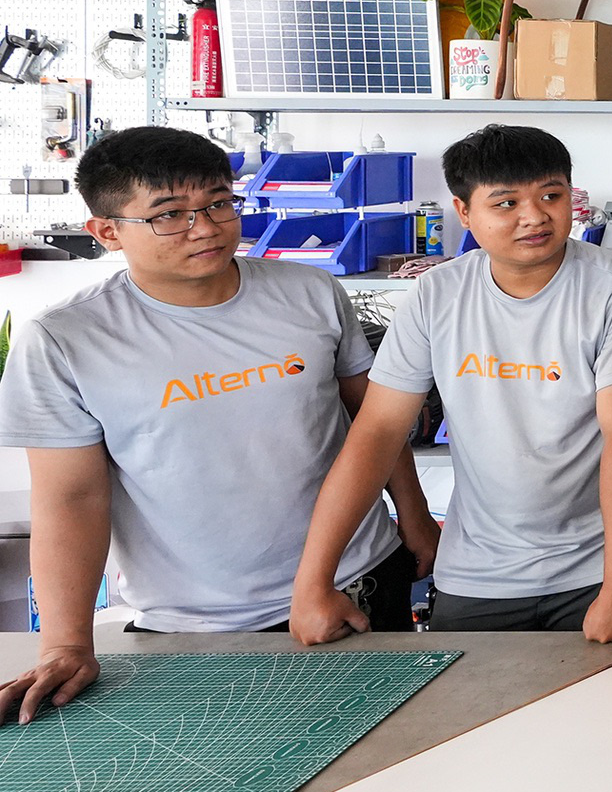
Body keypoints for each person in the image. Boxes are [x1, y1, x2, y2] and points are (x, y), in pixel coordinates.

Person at [0, 126, 436, 722]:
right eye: (169, 215)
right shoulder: (65, 340)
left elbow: (374, 422)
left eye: (218, 203)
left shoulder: (309, 291)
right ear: (106, 232)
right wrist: (67, 643)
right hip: (192, 622)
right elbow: (70, 498)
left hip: (356, 581)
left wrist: (415, 518)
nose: (204, 227)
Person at [290, 124, 612, 642]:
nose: (534, 216)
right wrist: (313, 584)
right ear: (464, 212)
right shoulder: (436, 294)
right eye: (506, 203)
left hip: (595, 568)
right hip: (476, 572)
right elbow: (376, 434)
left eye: (551, 196)